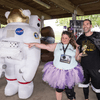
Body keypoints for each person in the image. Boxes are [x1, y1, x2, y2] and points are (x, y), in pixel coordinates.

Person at [25, 31, 84, 100]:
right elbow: (45, 46)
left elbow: (77, 58)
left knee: (70, 92)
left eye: (66, 38)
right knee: (59, 90)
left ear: (69, 39)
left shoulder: (74, 47)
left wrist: (79, 56)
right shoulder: (57, 45)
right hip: (59, 72)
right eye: (62, 37)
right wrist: (34, 44)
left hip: (70, 72)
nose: (64, 39)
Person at [76, 19, 100, 100]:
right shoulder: (81, 37)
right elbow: (76, 45)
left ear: (90, 26)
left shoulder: (97, 36)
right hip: (84, 66)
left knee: (98, 86)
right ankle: (86, 99)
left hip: (95, 66)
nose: (85, 26)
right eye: (84, 24)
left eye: (87, 24)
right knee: (84, 84)